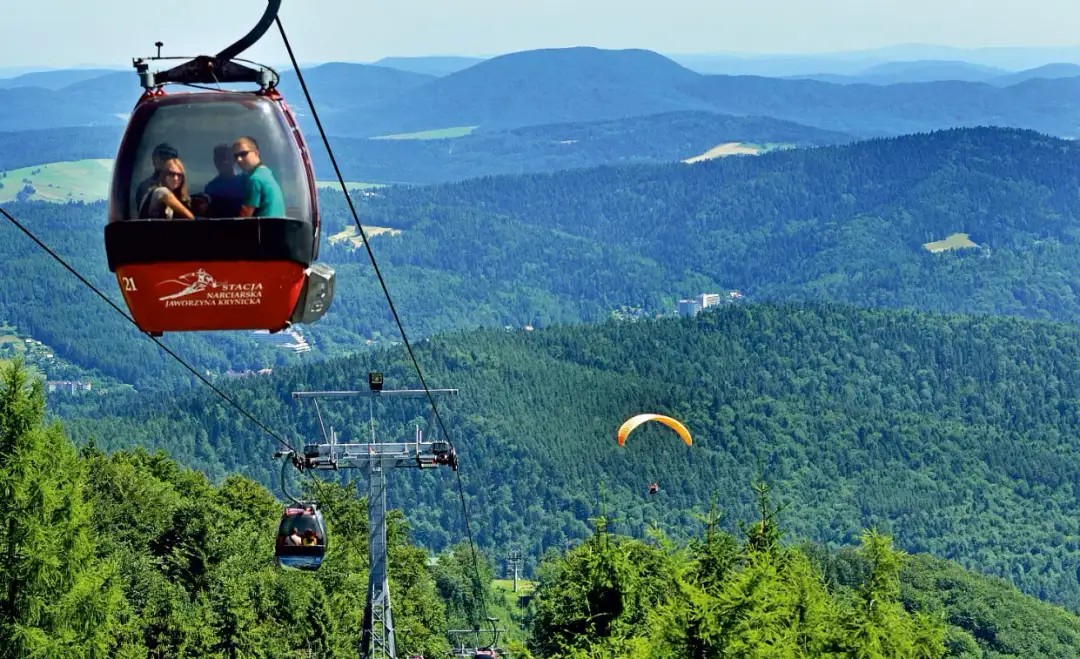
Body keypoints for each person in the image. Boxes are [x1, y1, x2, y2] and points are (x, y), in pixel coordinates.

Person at [232, 136, 285, 218]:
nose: (239, 159)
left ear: (256, 153)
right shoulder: (266, 173)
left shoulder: (255, 179)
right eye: (236, 156)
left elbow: (244, 218)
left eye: (243, 154)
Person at [204, 143, 246, 217]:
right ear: (215, 162)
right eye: (220, 159)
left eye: (227, 158)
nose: (224, 162)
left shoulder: (248, 182)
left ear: (234, 160)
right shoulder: (211, 188)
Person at [134, 142, 179, 211]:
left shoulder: (178, 186)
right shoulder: (146, 187)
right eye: (163, 158)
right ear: (154, 159)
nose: (165, 162)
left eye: (170, 159)